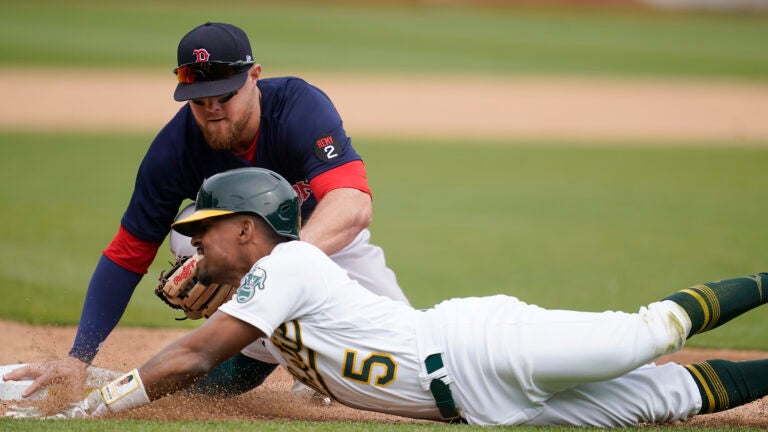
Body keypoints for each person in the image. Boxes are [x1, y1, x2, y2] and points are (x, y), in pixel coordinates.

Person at [8, 167, 768, 427]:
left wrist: (92, 410)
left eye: (205, 232)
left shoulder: (291, 266)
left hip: (480, 346)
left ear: (247, 228)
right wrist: (93, 375)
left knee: (642, 336)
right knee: (662, 401)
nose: (195, 248)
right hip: (479, 406)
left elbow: (194, 357)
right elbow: (205, 368)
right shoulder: (262, 296)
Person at [3, 21, 409, 399]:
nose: (212, 108)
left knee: (405, 348)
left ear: (254, 77)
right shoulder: (173, 150)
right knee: (190, 230)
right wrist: (79, 358)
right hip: (247, 262)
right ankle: (278, 352)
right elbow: (128, 253)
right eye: (199, 100)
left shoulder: (299, 108)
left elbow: (352, 207)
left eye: (225, 95)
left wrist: (285, 266)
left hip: (327, 240)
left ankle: (308, 359)